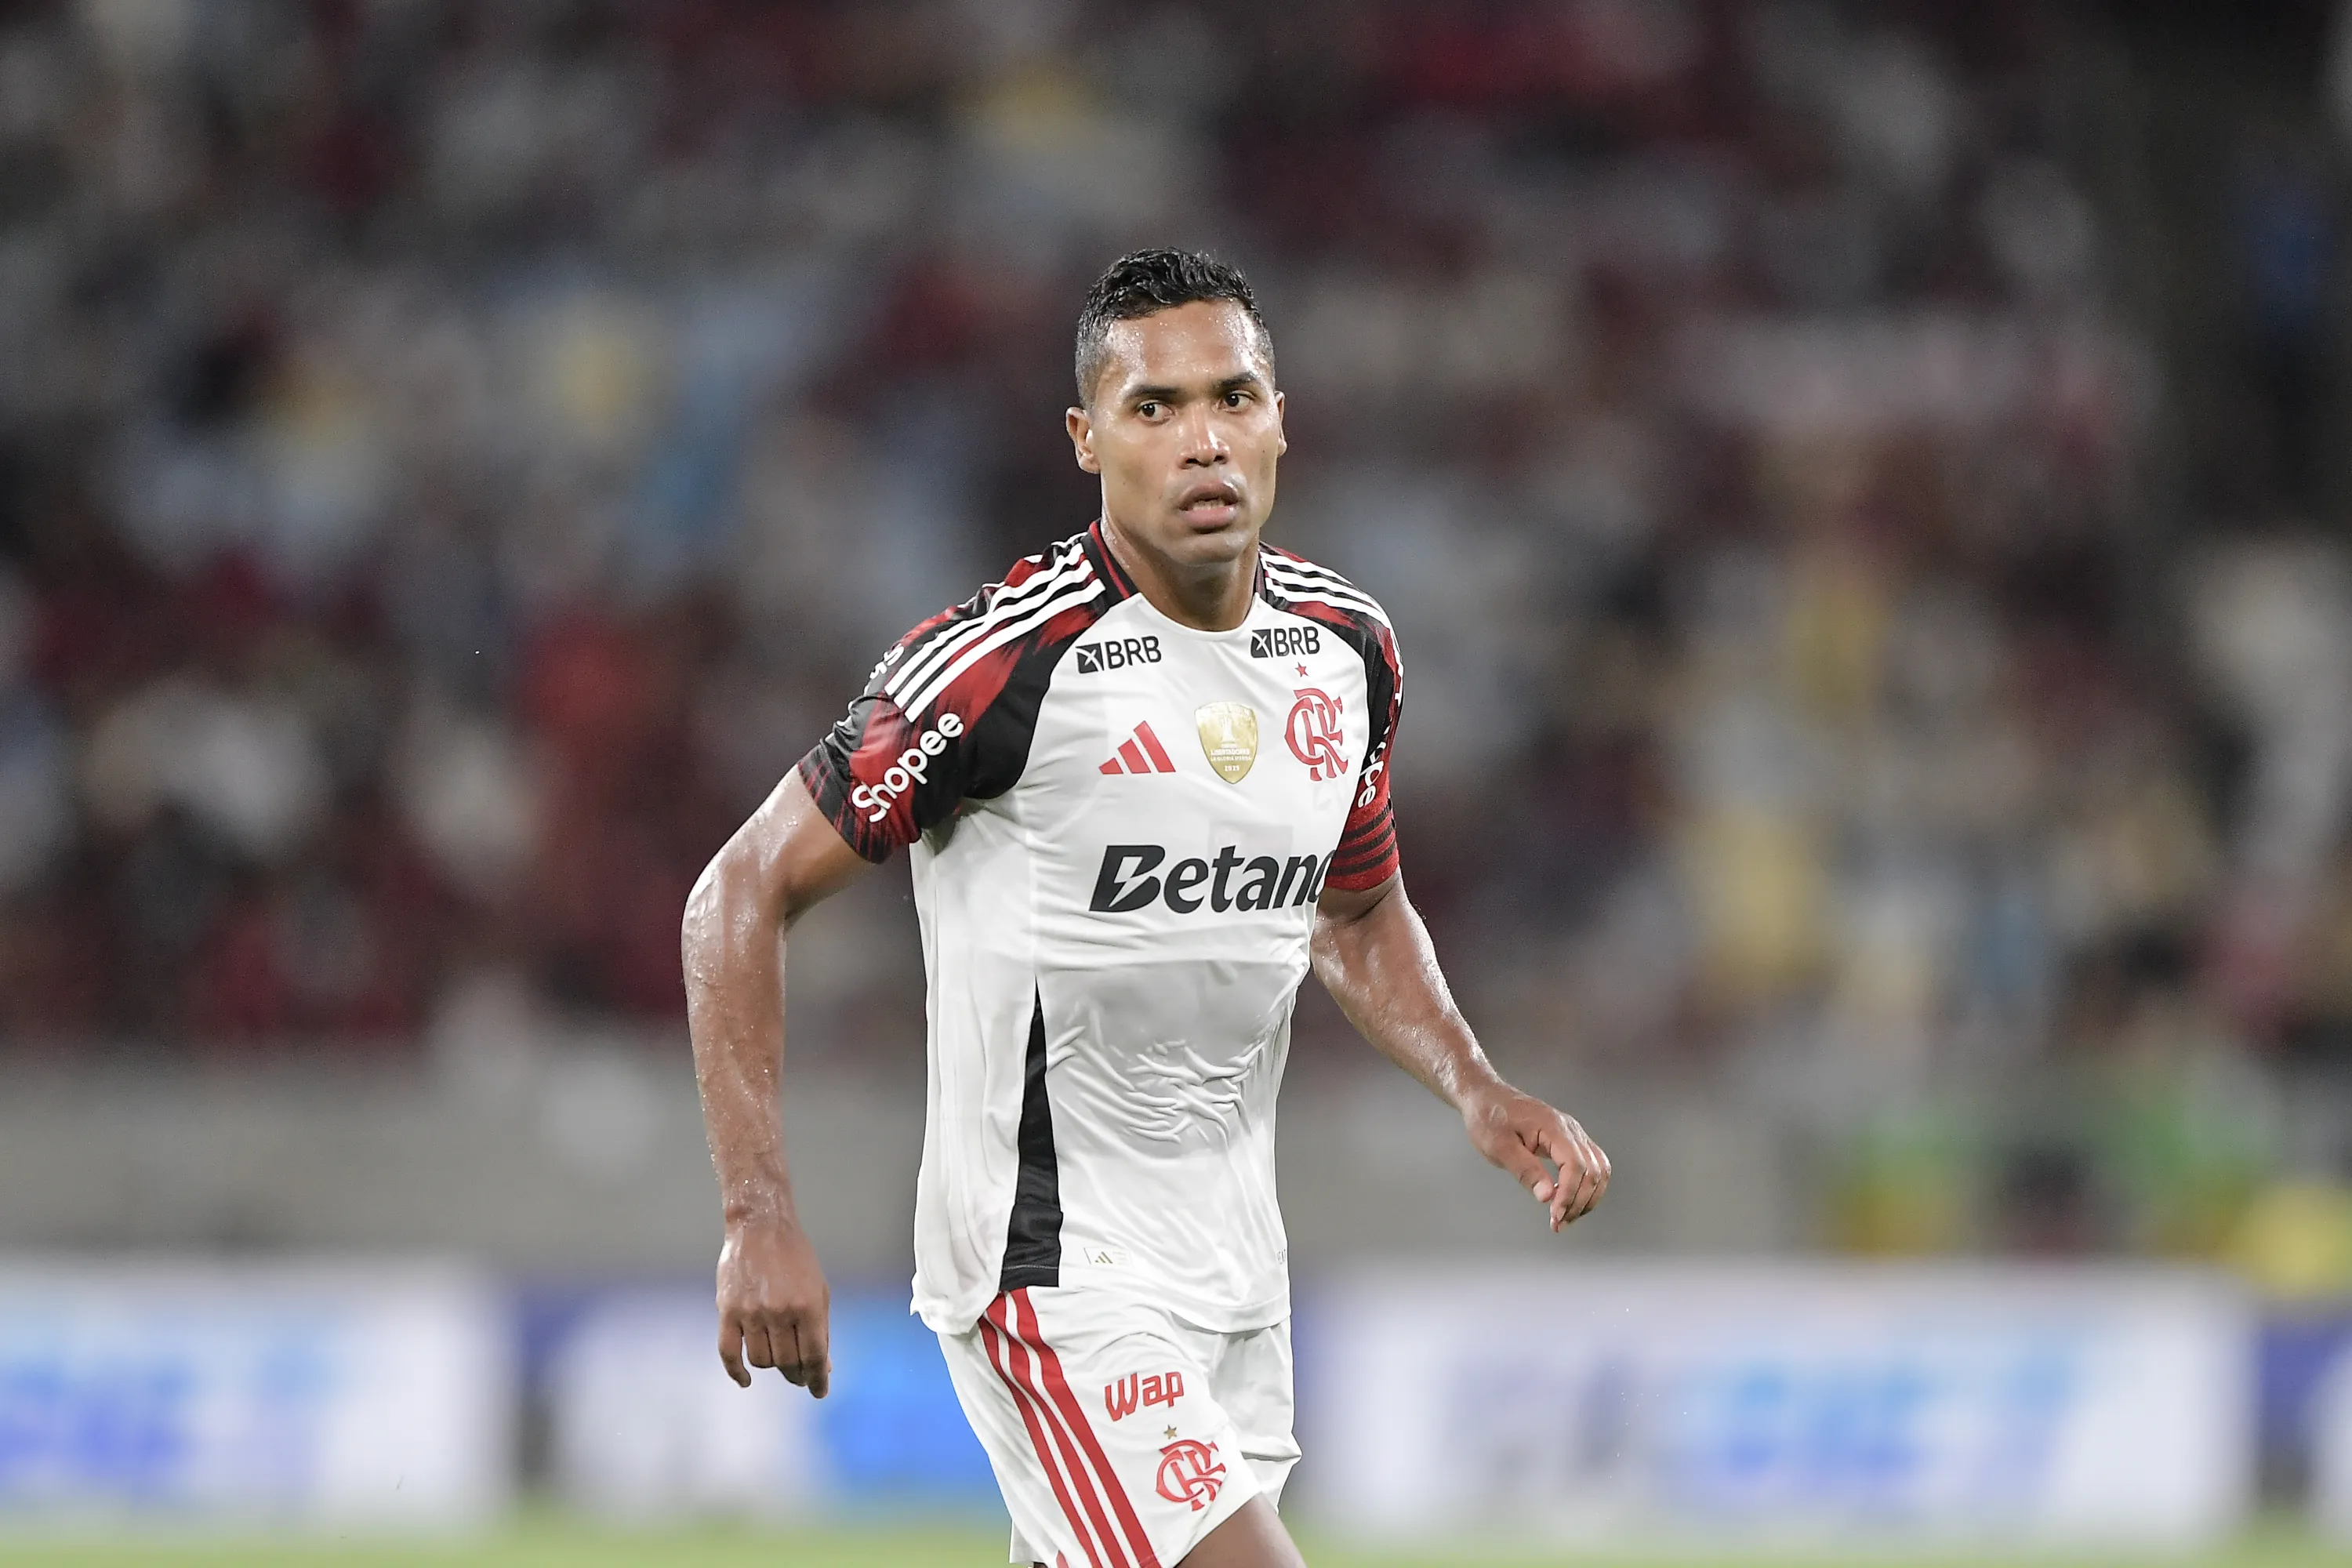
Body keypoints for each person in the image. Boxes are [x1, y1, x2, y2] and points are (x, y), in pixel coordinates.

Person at [683, 248, 1610, 1568]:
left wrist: (1473, 1083)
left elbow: (1351, 913)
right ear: (1086, 438)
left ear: (1282, 416)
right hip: (1047, 1273)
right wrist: (756, 1215)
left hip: (1235, 1276)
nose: (1203, 442)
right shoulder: (1003, 662)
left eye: (1233, 398)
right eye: (1155, 408)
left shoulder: (1347, 650)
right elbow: (740, 890)